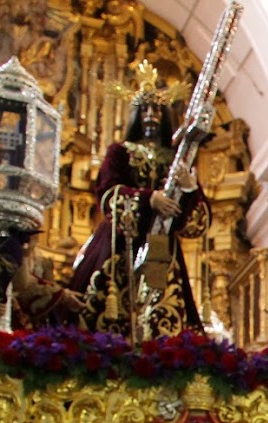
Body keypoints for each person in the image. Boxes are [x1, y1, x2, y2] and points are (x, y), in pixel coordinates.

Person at [69, 61, 208, 339]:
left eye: (156, 109)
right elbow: (108, 194)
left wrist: (190, 189)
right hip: (121, 241)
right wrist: (149, 199)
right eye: (144, 109)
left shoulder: (176, 159)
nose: (150, 116)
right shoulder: (120, 152)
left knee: (166, 314)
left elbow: (193, 223)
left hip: (163, 246)